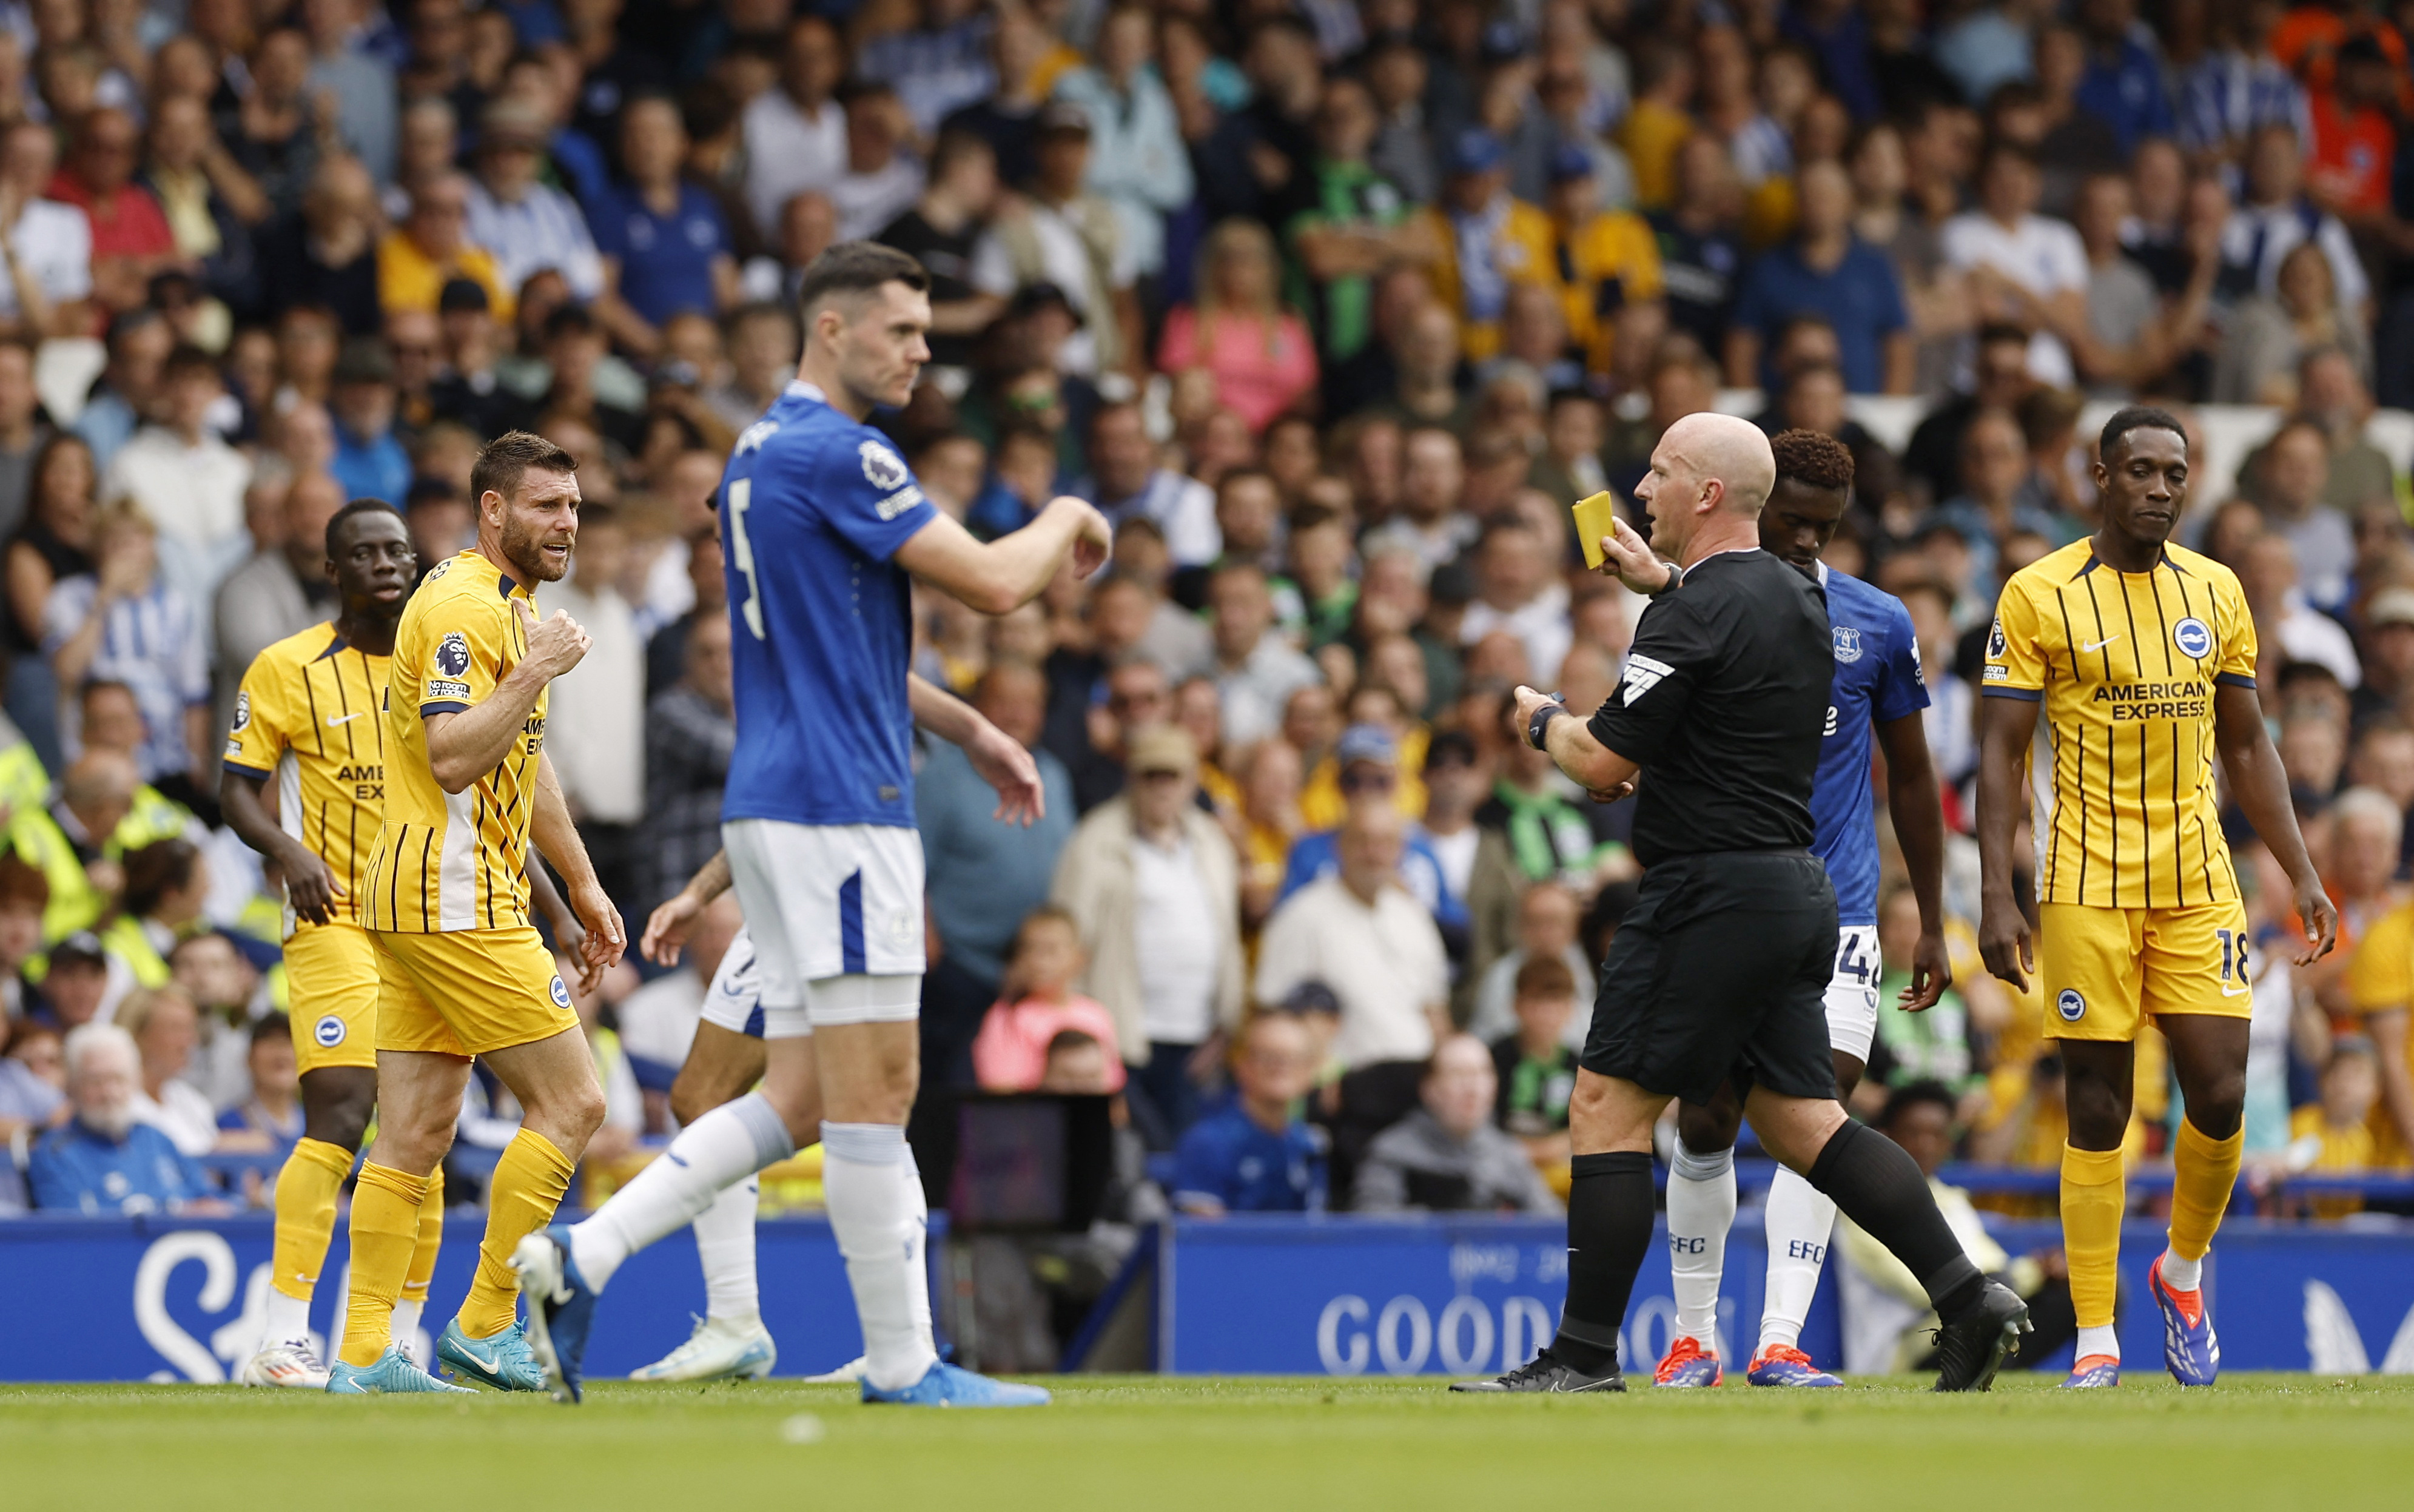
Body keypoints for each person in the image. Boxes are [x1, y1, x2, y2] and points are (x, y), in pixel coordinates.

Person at [513, 242, 1109, 1410]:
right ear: (832, 329)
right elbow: (995, 581)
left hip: (778, 805)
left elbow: (840, 649)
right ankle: (902, 1363)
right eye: (904, 330)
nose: (923, 352)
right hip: (842, 810)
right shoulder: (845, 452)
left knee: (796, 1095)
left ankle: (583, 1256)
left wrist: (970, 726)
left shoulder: (755, 453)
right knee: (877, 1089)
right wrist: (1071, 511)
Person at [1458, 411, 2027, 1396]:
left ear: (1708, 492)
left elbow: (1602, 762)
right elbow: (1730, 627)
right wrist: (1665, 585)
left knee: (1605, 1106)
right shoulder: (1806, 603)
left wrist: (1543, 720)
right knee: (1808, 1123)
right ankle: (1970, 1296)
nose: (1642, 490)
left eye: (1661, 472)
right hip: (1799, 892)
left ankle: (1584, 1354)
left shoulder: (1688, 614)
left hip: (1707, 892)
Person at [1976, 405, 2338, 1389]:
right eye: (2139, 469)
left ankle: (2181, 1270)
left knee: (2220, 1093)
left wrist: (2302, 868)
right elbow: (2000, 751)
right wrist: (1997, 892)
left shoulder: (2217, 590)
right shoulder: (2039, 594)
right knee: (2098, 1105)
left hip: (2198, 880)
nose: (2159, 488)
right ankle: (2097, 1333)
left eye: (2174, 474)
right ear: (2100, 476)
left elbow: (2249, 743)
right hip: (2083, 883)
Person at [322, 431, 626, 1396]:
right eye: (546, 506)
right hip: (453, 895)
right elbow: (454, 754)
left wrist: (581, 883)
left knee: (415, 1132)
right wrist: (536, 671)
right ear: (493, 510)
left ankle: (363, 1353)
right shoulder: (464, 607)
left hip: (420, 893)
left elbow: (519, 760)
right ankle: (489, 1322)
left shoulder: (508, 604)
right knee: (574, 1102)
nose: (566, 523)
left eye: (573, 506)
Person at [1654, 428, 1952, 1389]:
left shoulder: (1876, 621)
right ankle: (1693, 1339)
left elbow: (1913, 778)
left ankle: (1780, 1340)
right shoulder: (1694, 606)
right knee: (1707, 1116)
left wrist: (1934, 917)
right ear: (1756, 505)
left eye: (1827, 527)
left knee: (1815, 1118)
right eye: (1793, 520)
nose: (1809, 541)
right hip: (1726, 907)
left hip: (1843, 915)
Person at [218, 497, 440, 1389]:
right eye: (365, 552)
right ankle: (282, 1339)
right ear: (332, 570)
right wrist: (289, 852)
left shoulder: (444, 669)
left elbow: (501, 795)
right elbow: (236, 789)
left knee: (421, 1134)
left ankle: (392, 1344)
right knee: (344, 1113)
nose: (385, 564)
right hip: (333, 917)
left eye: (398, 550)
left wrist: (565, 903)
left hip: (431, 928)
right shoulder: (286, 666)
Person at [27, 1021, 223, 1215]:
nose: (109, 1093)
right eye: (95, 1081)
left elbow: (213, 1200)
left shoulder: (155, 1139)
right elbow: (73, 1227)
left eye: (118, 1079)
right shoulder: (57, 1154)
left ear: (134, 1082)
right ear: (73, 1086)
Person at [1355, 1032, 1559, 1214]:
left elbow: (1551, 1225)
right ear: (1429, 1089)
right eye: (1459, 1074)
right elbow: (1373, 1229)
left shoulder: (1508, 1155)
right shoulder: (1392, 1153)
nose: (1473, 1088)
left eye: (1482, 1073)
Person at [1171, 1010, 1327, 1215]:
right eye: (1268, 1057)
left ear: (1310, 1071)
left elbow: (1314, 1225)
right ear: (1242, 1064)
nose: (1280, 1068)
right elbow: (1204, 1231)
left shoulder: (1310, 1144)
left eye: (1294, 1059)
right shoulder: (1207, 1143)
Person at [970, 906, 1124, 1092]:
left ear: (1080, 958)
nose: (1038, 962)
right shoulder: (1007, 1018)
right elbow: (1001, 1092)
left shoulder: (1097, 1014)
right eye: (1029, 949)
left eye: (1051, 950)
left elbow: (1113, 1088)